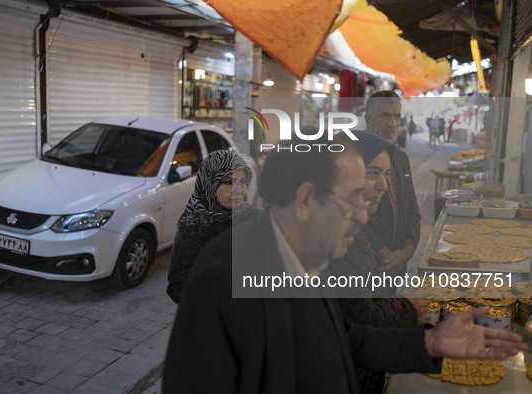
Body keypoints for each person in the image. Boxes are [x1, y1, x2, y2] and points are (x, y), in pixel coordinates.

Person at [162, 135, 526, 394]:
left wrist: (427, 344)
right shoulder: (222, 283)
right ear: (306, 199)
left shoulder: (302, 259)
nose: (363, 218)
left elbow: (339, 339)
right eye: (353, 199)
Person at [334, 131, 429, 393]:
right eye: (373, 173)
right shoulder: (342, 240)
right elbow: (360, 319)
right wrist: (406, 309)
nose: (383, 187)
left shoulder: (356, 230)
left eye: (385, 175)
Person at [166, 150, 252, 304]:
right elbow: (177, 286)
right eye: (229, 182)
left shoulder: (249, 215)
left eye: (243, 181)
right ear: (209, 185)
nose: (240, 190)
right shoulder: (192, 226)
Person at [364, 91, 421, 294]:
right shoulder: (352, 157)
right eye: (385, 115)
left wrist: (407, 250)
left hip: (396, 266)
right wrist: (382, 251)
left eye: (396, 116)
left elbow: (413, 210)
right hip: (366, 264)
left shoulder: (400, 159)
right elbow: (347, 211)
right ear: (368, 119)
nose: (392, 123)